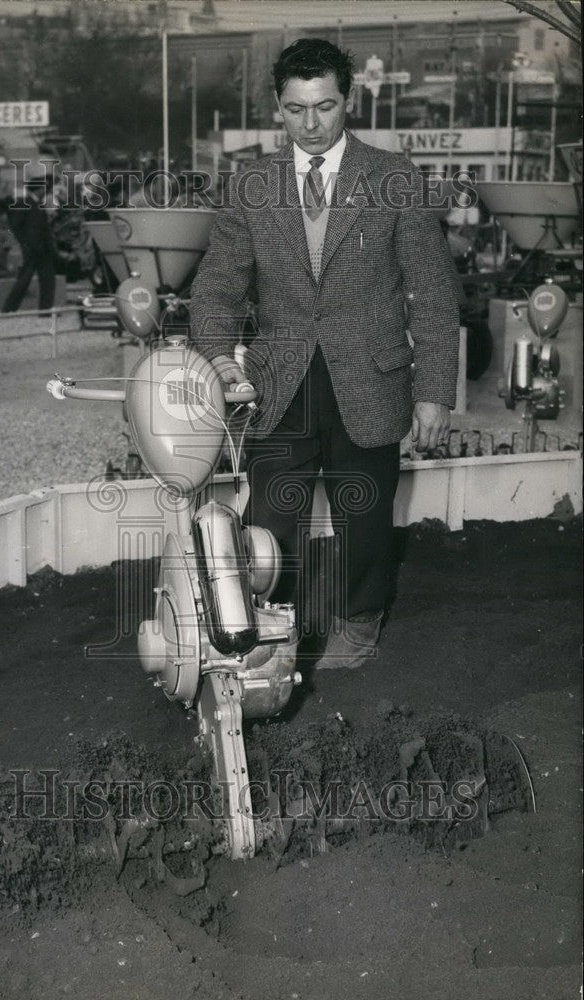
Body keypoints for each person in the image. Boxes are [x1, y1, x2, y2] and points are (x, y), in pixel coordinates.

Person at [189, 39, 459, 672]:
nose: (310, 125)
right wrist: (221, 361)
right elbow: (215, 288)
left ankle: (360, 622)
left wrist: (434, 390)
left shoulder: (394, 178)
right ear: (277, 108)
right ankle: (266, 627)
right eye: (295, 110)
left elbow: (435, 294)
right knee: (269, 519)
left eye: (325, 107)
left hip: (372, 380)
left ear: (349, 101)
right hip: (280, 385)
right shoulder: (251, 184)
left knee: (364, 516)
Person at [2, 179, 56, 313]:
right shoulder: (25, 203)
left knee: (47, 279)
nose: (46, 190)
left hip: (41, 248)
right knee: (24, 280)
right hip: (32, 248)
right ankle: (9, 309)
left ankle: (45, 309)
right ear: (39, 189)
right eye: (44, 188)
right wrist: (25, 243)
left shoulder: (35, 203)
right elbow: (15, 225)